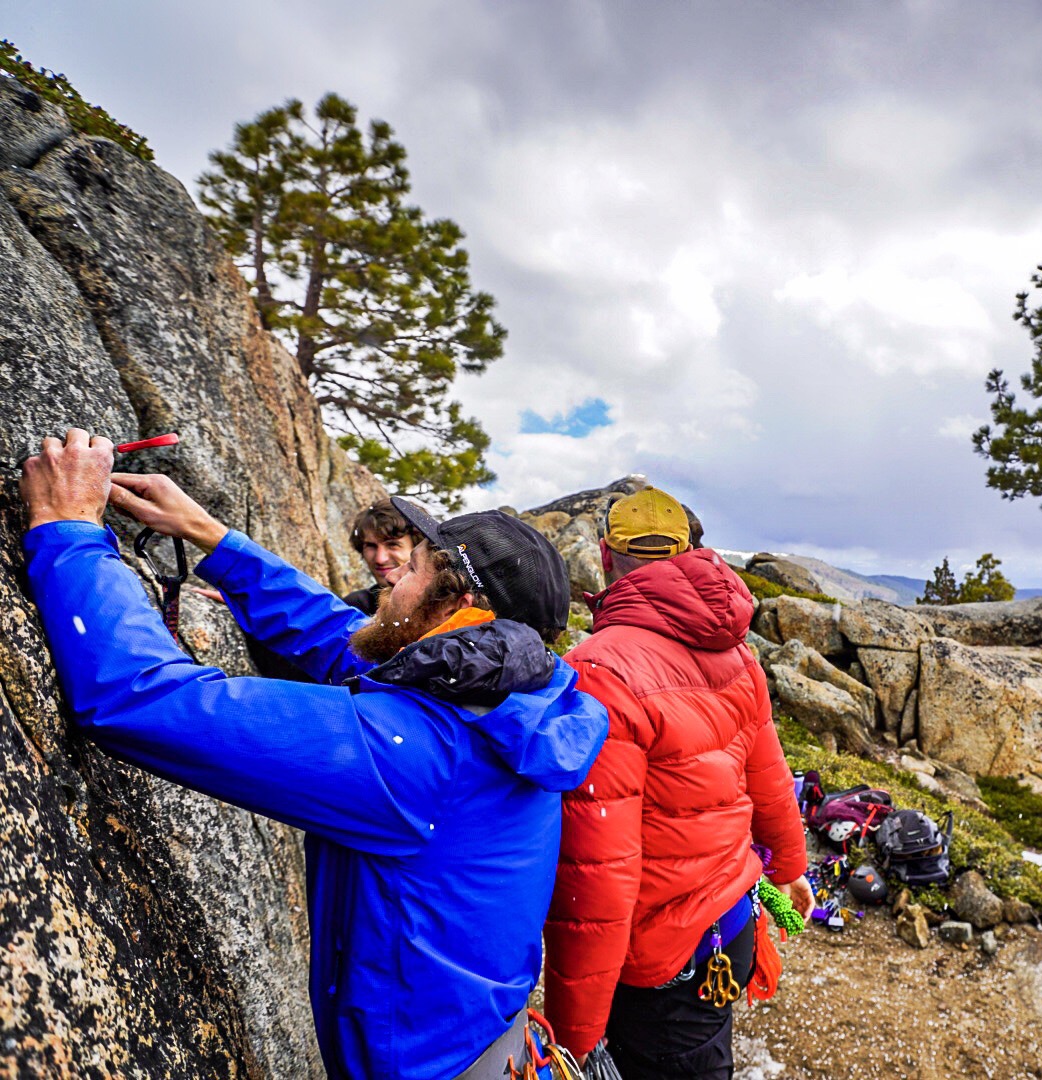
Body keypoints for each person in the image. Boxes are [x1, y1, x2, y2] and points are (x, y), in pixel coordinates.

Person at [19, 429, 609, 1079]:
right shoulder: (515, 697)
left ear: (459, 610)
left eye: (411, 570)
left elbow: (142, 697)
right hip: (492, 1050)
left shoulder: (417, 756)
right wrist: (210, 537)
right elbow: (349, 641)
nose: (390, 585)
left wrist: (69, 529)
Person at [544, 487, 811, 1079]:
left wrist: (572, 1033)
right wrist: (791, 870)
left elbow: (599, 869)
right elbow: (768, 776)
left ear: (606, 555)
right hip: (733, 923)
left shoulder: (598, 667)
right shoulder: (737, 650)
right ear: (689, 551)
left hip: (662, 963)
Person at [345, 497, 421, 615]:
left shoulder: (448, 605)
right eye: (371, 546)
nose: (380, 559)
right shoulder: (356, 607)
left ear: (419, 549)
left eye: (392, 545)